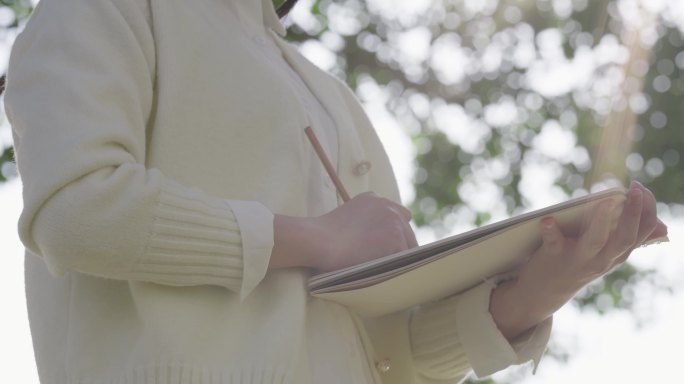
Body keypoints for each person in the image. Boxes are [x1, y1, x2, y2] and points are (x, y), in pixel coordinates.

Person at [4, 0, 668, 383]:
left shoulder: (335, 100)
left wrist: (538, 292)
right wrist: (316, 238)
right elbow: (78, 209)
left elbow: (394, 355)